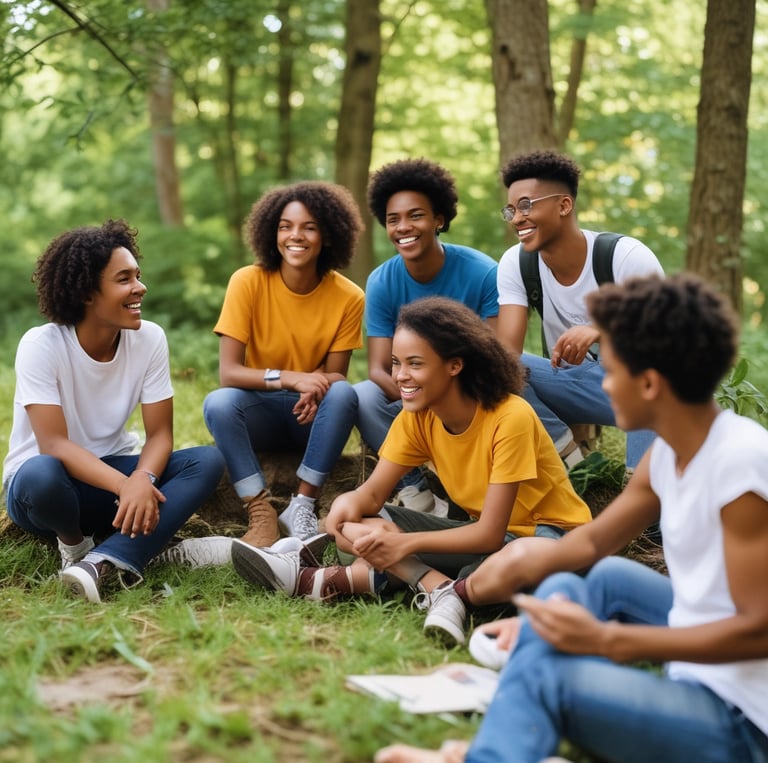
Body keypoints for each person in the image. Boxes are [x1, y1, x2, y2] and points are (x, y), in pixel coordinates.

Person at [375, 273, 768, 763]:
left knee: (548, 676)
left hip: (744, 720)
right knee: (599, 580)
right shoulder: (668, 452)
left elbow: (759, 630)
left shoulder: (739, 468)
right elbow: (587, 546)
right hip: (696, 655)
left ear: (649, 383)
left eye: (611, 370)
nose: (602, 385)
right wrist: (536, 618)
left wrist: (608, 639)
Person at [230, 297, 591, 646]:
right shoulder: (417, 416)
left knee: (512, 560)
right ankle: (441, 589)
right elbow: (372, 496)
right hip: (479, 538)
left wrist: (405, 543)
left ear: (455, 365)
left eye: (415, 364)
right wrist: (346, 506)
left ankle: (330, 579)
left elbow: (490, 535)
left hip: (548, 539)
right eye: (396, 363)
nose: (400, 376)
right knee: (364, 525)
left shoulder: (510, 417)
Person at [1, 220, 226, 603]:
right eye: (124, 279)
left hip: (113, 483)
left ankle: (110, 559)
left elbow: (160, 435)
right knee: (41, 471)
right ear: (88, 293)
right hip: (46, 495)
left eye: (138, 275)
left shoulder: (149, 338)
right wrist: (129, 485)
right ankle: (75, 547)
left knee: (206, 461)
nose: (140, 287)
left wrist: (142, 476)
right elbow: (53, 444)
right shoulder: (41, 345)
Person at [202, 181, 365, 548]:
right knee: (218, 402)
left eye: (309, 227)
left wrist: (316, 386)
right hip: (257, 412)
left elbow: (336, 372)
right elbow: (229, 373)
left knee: (342, 392)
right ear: (270, 232)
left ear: (328, 235)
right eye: (285, 226)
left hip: (310, 418)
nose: (296, 236)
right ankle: (260, 513)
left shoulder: (349, 296)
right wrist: (295, 379)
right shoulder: (247, 282)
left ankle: (303, 505)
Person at [495, 149, 664, 470]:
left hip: (650, 390)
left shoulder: (625, 256)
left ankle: (642, 491)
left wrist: (601, 328)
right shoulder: (516, 263)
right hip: (582, 384)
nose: (517, 218)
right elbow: (506, 354)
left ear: (564, 205)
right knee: (492, 363)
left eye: (527, 205)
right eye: (511, 210)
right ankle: (569, 457)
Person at [355, 158, 499, 514]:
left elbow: (498, 361)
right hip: (414, 395)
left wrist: (445, 401)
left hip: (474, 398)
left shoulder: (483, 272)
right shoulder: (382, 282)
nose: (404, 227)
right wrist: (422, 399)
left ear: (439, 219)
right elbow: (377, 368)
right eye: (393, 219)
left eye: (415, 215)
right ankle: (416, 495)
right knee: (363, 395)